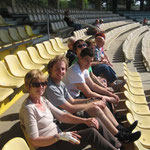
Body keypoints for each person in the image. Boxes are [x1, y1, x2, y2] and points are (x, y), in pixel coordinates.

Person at [44, 55, 140, 144]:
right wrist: (92, 104)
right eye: (57, 69)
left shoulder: (60, 83)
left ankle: (121, 129)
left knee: (97, 102)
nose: (61, 72)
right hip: (61, 121)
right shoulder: (51, 88)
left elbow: (72, 101)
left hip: (67, 113)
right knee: (95, 108)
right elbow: (70, 108)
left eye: (63, 69)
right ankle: (121, 136)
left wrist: (92, 99)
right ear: (50, 70)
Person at [19, 69, 124, 150]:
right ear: (28, 87)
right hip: (49, 146)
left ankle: (117, 145)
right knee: (91, 133)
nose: (41, 87)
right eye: (37, 84)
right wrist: (58, 136)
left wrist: (85, 121)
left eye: (43, 83)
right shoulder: (29, 109)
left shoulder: (42, 99)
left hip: (59, 136)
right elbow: (34, 141)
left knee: (93, 121)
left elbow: (62, 116)